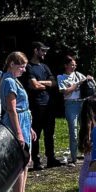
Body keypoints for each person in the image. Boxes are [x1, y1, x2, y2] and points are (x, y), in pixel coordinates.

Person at [0, 52, 37, 192]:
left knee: (26, 160)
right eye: (21, 66)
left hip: (24, 121)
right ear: (12, 64)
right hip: (16, 122)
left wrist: (30, 128)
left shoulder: (14, 80)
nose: (24, 70)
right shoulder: (8, 81)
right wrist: (19, 133)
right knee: (20, 160)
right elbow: (12, 110)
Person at [24, 41, 60, 170]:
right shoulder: (28, 67)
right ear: (36, 51)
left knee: (49, 133)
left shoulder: (45, 67)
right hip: (36, 105)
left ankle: (51, 158)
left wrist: (41, 82)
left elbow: (54, 83)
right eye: (42, 50)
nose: (45, 53)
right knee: (36, 134)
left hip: (49, 104)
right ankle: (37, 161)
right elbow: (33, 85)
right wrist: (45, 84)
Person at [57, 55, 86, 159]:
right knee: (73, 130)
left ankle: (85, 153)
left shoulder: (78, 74)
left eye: (75, 65)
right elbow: (65, 92)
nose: (74, 67)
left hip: (81, 102)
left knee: (85, 129)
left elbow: (86, 81)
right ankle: (74, 157)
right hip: (70, 104)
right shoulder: (61, 77)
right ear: (66, 65)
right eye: (71, 65)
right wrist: (77, 85)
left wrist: (89, 80)